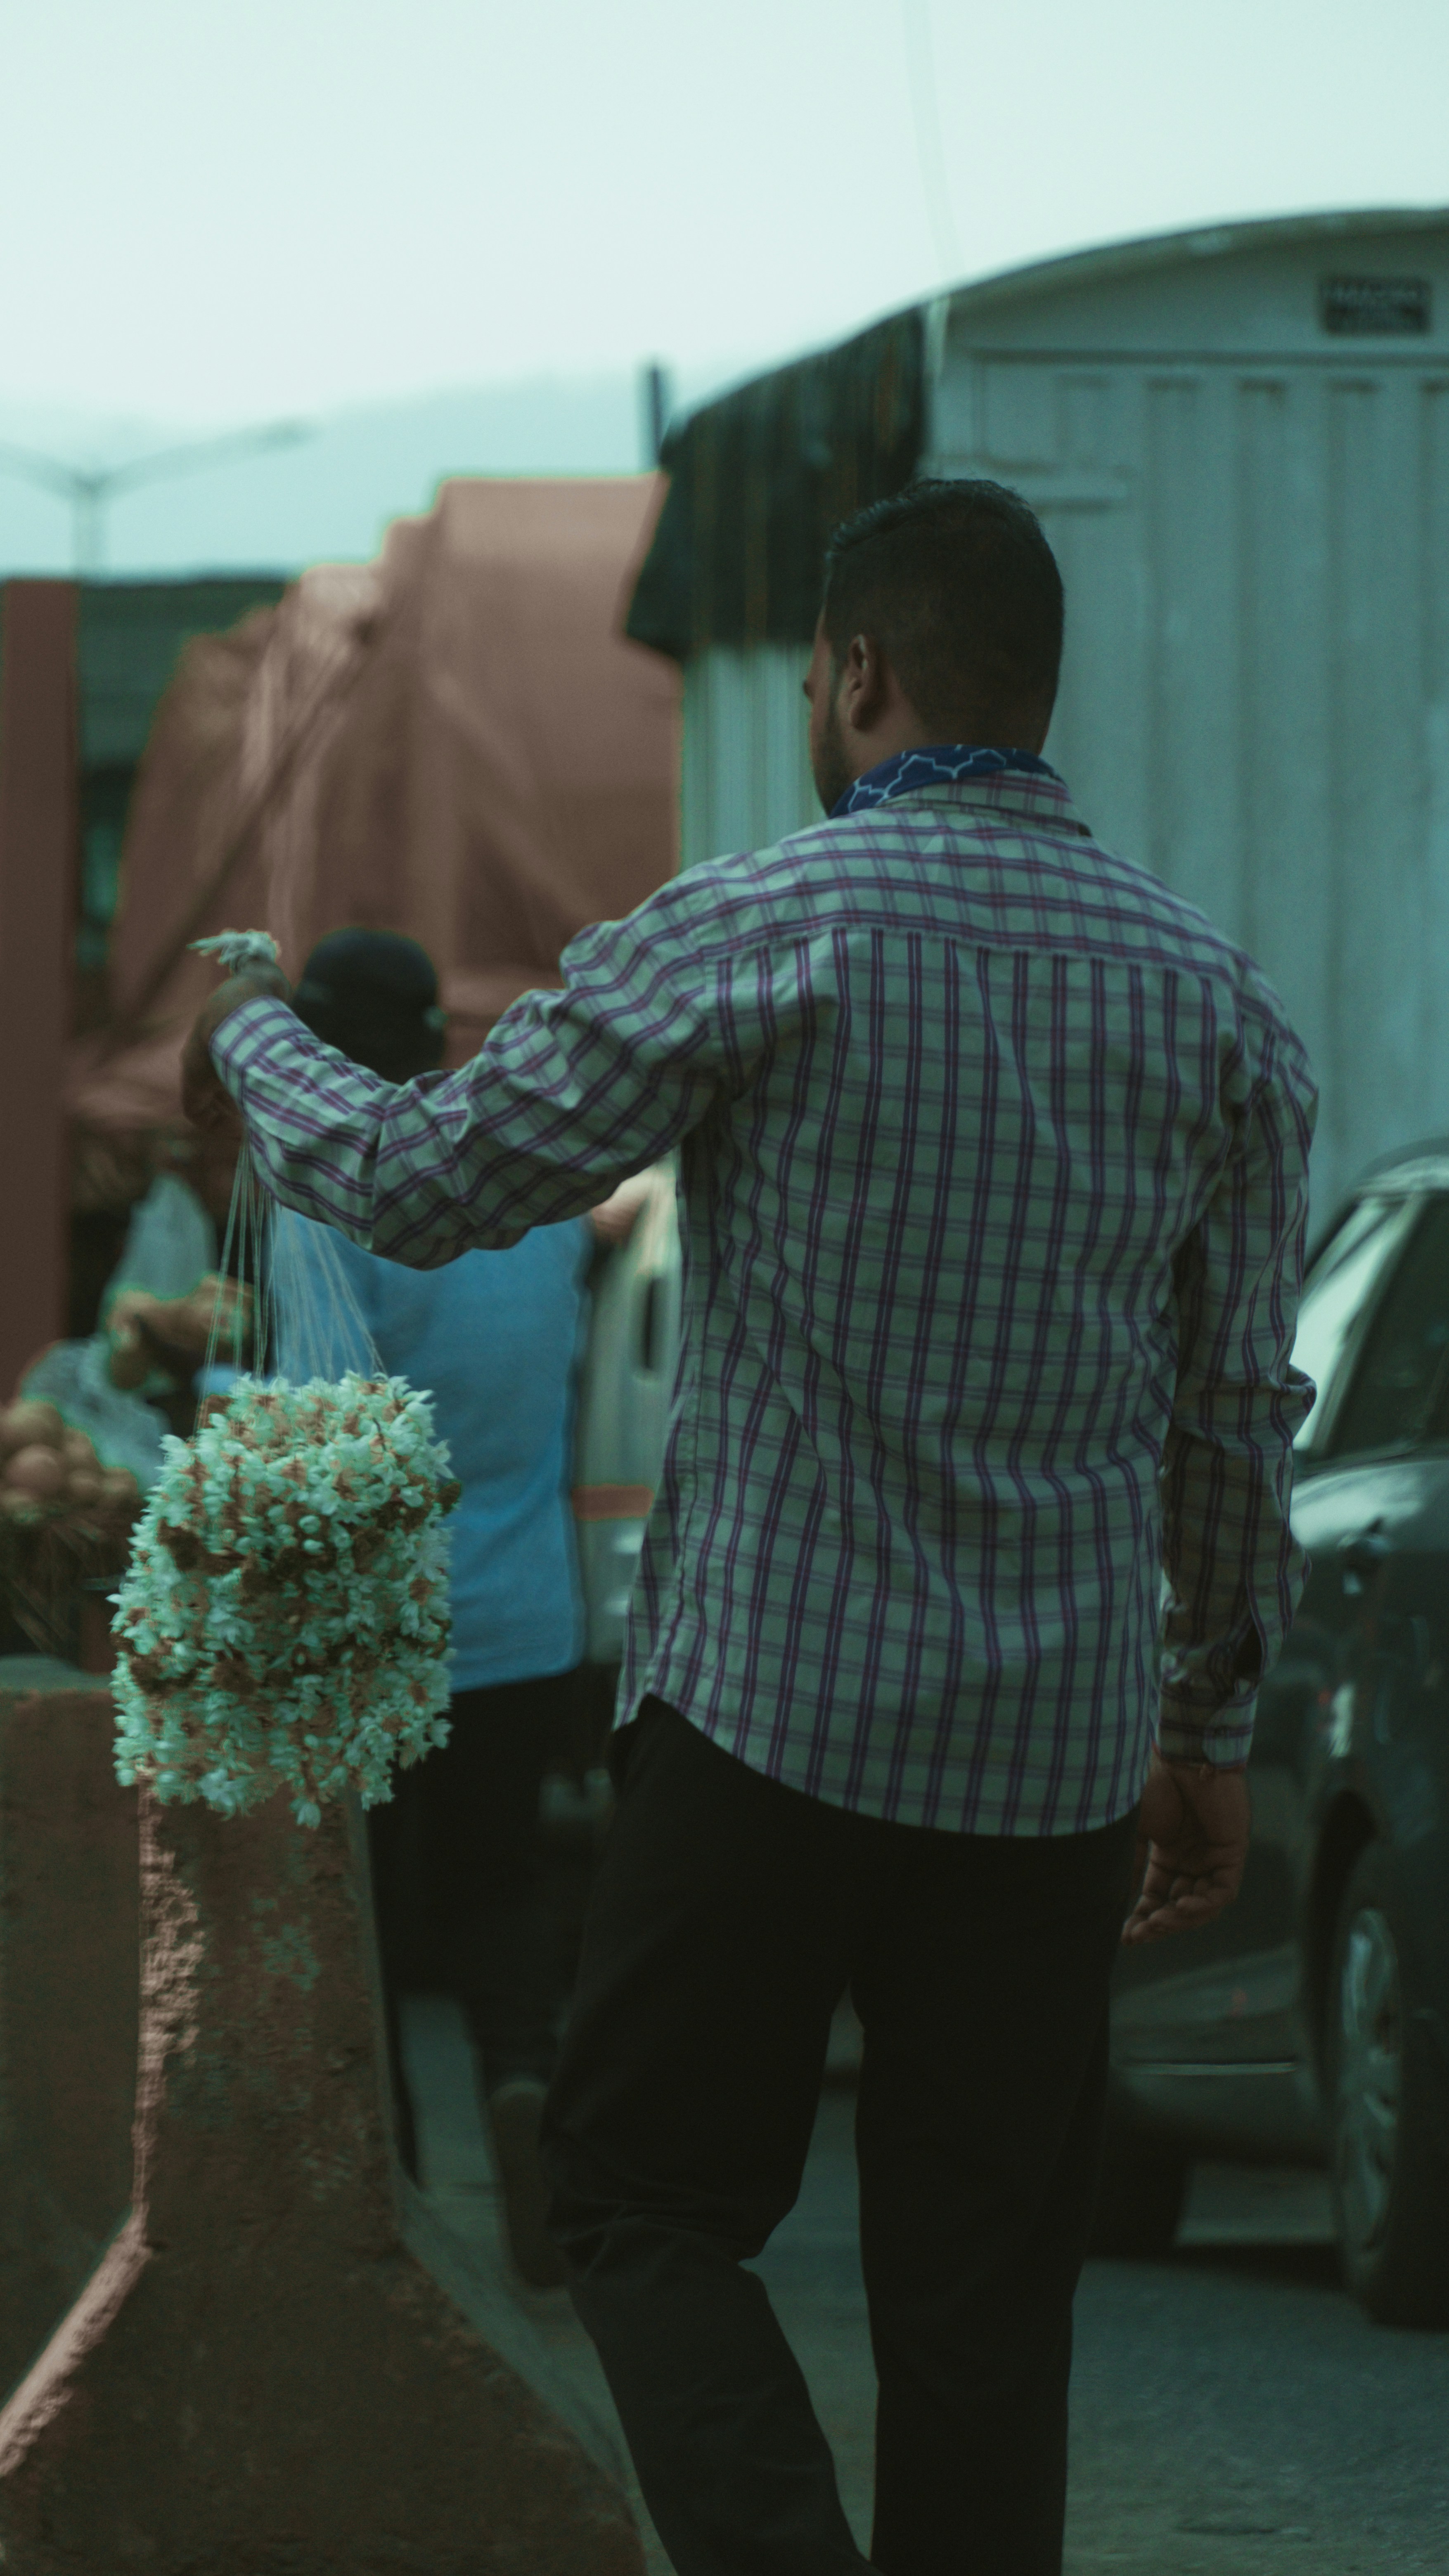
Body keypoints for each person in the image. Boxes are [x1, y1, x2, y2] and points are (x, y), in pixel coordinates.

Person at [184, 479, 1316, 2576]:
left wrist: (250, 1033)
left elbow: (428, 1178)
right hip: (1052, 1766)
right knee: (985, 2310)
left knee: (635, 2195)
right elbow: (1232, 1413)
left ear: (862, 673)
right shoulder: (1218, 1010)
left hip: (769, 1732)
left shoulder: (761, 926)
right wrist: (1207, 1721)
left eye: (812, 673)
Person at [279, 928, 594, 2289]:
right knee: (504, 1888)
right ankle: (526, 2086)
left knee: (371, 1915)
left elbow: (316, 1408)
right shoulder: (545, 1197)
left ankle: (389, 2178)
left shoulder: (333, 1199)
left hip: (376, 1621)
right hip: (527, 1616)